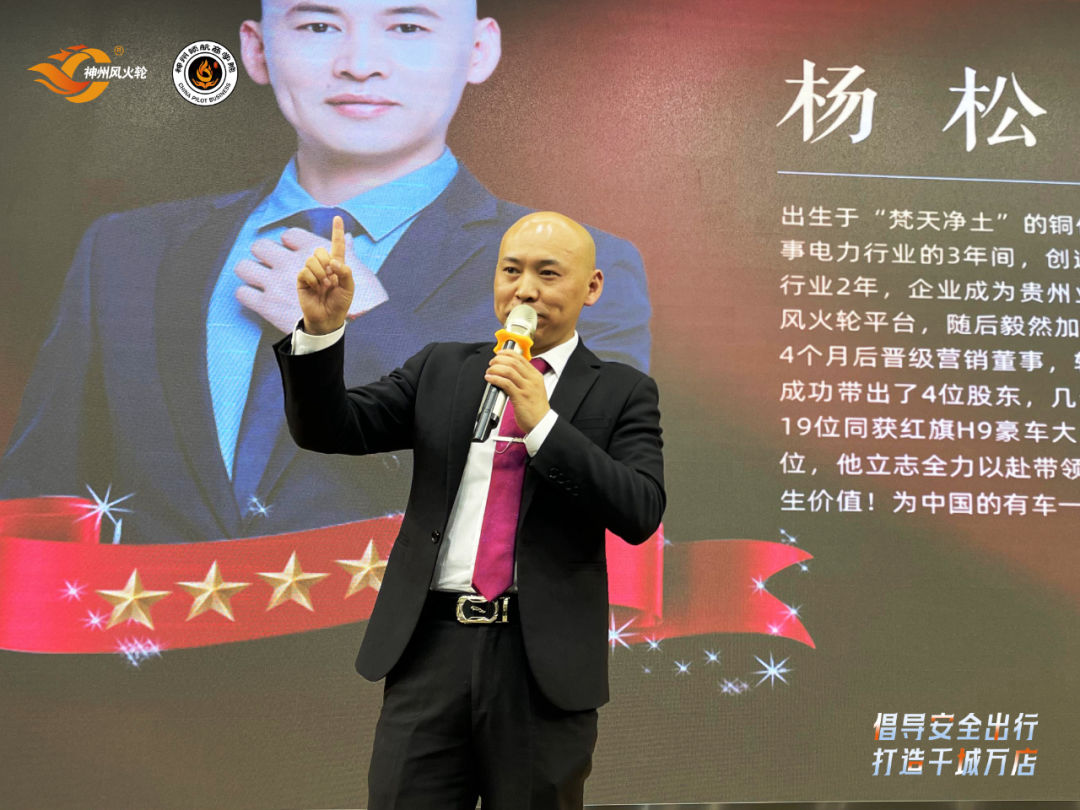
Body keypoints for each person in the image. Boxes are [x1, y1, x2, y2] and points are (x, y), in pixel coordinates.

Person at [0, 1, 650, 544]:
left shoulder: (582, 266)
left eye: (408, 26)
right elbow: (37, 505)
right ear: (257, 49)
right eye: (318, 25)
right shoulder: (127, 250)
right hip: (136, 653)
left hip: (407, 659)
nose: (360, 63)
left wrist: (350, 332)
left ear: (479, 50)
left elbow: (571, 501)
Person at [277, 210, 664, 808]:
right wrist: (322, 333)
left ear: (592, 288)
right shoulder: (444, 368)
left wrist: (543, 424)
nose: (525, 290)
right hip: (431, 648)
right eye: (511, 271)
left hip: (539, 664)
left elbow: (640, 510)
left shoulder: (622, 391)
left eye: (548, 273)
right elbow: (330, 428)